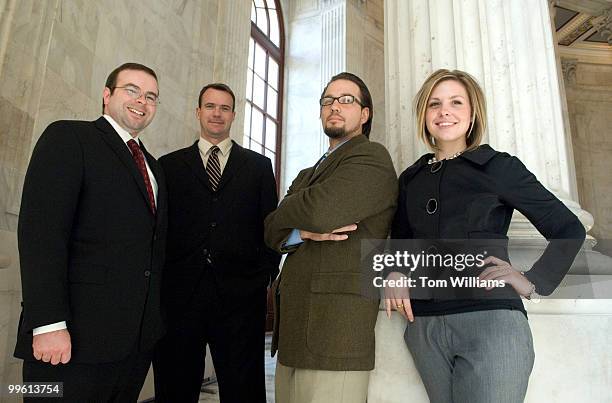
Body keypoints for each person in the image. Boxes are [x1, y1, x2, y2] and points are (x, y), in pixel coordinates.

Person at [386, 69, 586, 403]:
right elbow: (402, 243)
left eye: (455, 102)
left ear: (472, 112)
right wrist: (393, 271)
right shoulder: (410, 178)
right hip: (425, 326)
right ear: (424, 114)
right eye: (434, 103)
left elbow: (568, 229)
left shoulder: (498, 167)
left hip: (491, 322)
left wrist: (532, 281)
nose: (444, 111)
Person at [14, 62, 167, 402]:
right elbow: (42, 235)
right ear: (106, 94)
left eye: (151, 96)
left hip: (132, 348)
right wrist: (48, 324)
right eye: (132, 90)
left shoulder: (154, 167)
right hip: (69, 343)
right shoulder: (69, 137)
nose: (142, 101)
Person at [264, 72, 398, 403]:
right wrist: (300, 230)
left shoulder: (372, 158)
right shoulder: (307, 173)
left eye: (346, 100)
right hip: (295, 330)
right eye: (327, 101)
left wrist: (291, 210)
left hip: (336, 332)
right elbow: (270, 230)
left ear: (364, 114)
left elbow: (321, 212)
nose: (334, 106)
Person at [153, 83, 280, 403]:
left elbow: (271, 228)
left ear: (234, 116)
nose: (217, 113)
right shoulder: (168, 166)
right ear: (198, 112)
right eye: (210, 106)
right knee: (175, 383)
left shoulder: (259, 167)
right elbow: (160, 228)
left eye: (224, 108)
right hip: (180, 295)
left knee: (243, 387)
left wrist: (263, 279)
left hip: (240, 296)